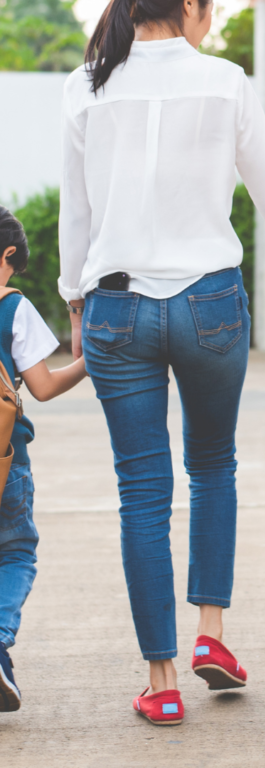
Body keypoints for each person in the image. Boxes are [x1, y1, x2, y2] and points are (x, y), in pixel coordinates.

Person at [58, 0, 265, 726]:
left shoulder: (86, 85)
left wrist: (74, 298)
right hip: (211, 305)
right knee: (213, 465)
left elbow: (78, 211)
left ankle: (160, 683)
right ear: (189, 7)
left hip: (117, 308)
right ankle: (211, 636)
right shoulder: (226, 82)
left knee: (141, 490)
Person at [0, 208, 87, 712]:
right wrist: (90, 361)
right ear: (8, 254)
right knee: (14, 552)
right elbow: (44, 386)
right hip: (5, 458)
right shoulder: (12, 306)